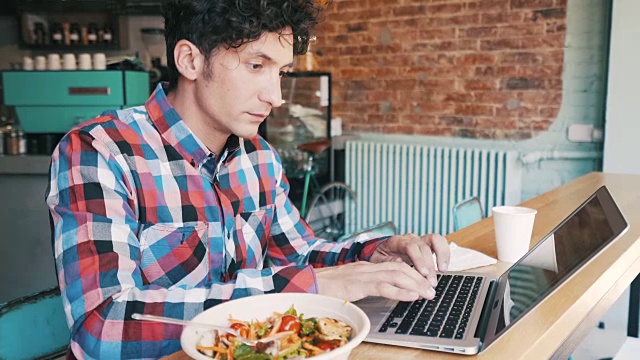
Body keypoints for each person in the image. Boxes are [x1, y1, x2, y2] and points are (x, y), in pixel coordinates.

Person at [46, 0, 450, 358]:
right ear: (190, 60)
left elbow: (300, 255)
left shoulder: (258, 157)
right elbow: (102, 326)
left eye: (282, 72)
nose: (276, 96)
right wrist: (309, 288)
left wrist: (373, 256)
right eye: (257, 66)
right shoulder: (100, 151)